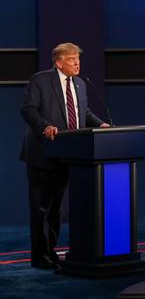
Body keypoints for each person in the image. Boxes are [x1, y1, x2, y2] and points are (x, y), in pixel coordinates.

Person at [20, 42, 109, 269]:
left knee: (56, 208)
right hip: (42, 153)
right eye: (71, 60)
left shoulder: (80, 84)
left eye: (78, 59)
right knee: (41, 208)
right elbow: (29, 109)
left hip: (68, 155)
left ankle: (52, 252)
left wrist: (101, 125)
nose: (77, 63)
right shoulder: (40, 80)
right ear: (58, 62)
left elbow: (83, 112)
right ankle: (39, 256)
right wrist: (45, 127)